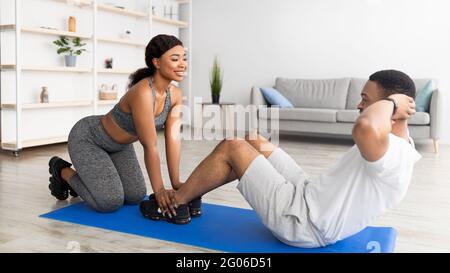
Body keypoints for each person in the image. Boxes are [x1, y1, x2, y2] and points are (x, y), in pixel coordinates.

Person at [140, 69, 421, 247]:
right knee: (251, 137)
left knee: (233, 147)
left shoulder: (394, 153)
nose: (360, 105)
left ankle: (174, 203)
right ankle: (193, 192)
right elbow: (370, 125)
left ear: (391, 108)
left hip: (304, 223)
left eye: (366, 99)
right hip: (306, 193)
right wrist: (389, 103)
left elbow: (365, 127)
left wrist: (393, 102)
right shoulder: (394, 145)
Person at [48, 34, 199, 216]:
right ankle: (62, 170)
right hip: (89, 139)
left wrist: (176, 183)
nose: (182, 64)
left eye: (184, 58)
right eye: (175, 59)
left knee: (135, 196)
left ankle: (95, 177)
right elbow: (150, 145)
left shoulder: (175, 95)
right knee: (110, 202)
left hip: (120, 147)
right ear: (157, 62)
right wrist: (159, 191)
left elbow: (173, 139)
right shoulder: (143, 93)